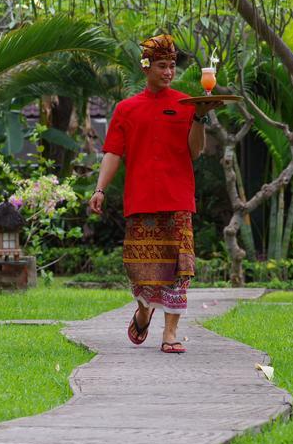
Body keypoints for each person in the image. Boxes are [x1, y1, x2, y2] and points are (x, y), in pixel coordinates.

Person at [88, 34, 223, 354]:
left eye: (172, 66)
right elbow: (112, 153)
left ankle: (170, 334)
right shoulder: (126, 109)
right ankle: (144, 310)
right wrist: (99, 189)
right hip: (141, 201)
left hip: (177, 199)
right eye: (162, 66)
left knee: (180, 268)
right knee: (142, 269)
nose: (168, 72)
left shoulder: (186, 104)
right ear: (146, 67)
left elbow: (195, 152)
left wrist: (201, 117)